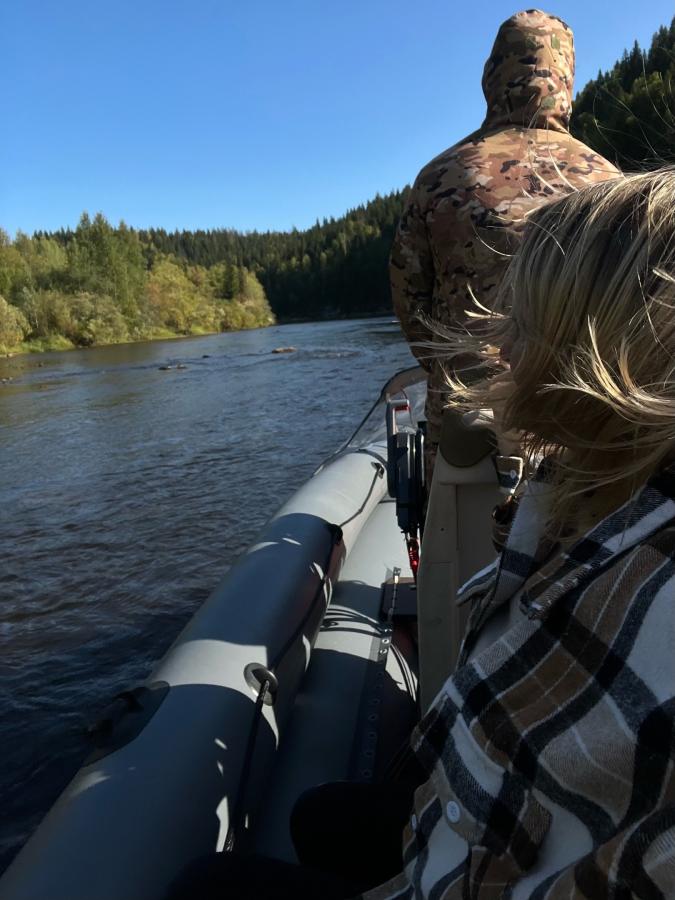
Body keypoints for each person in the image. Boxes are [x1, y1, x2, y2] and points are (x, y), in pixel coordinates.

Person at [168, 168, 675, 898]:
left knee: (208, 887)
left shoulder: (444, 180)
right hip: (479, 833)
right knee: (321, 818)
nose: (501, 347)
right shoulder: (597, 514)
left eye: (520, 324)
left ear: (598, 354)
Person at [391, 8, 619, 482]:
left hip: (464, 422)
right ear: (566, 78)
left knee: (456, 541)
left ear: (492, 76)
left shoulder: (439, 176)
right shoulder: (608, 182)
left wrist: (452, 367)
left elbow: (410, 303)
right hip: (578, 423)